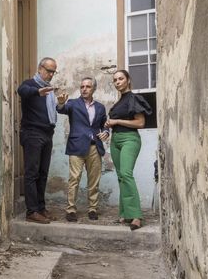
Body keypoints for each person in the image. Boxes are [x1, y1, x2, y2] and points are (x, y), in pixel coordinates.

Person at [55, 77, 109, 222]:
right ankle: (71, 209)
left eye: (88, 87)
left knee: (94, 180)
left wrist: (106, 132)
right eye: (82, 86)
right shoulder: (72, 104)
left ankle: (92, 208)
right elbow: (62, 109)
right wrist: (60, 104)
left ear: (94, 89)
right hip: (76, 146)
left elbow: (104, 124)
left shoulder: (100, 107)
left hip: (94, 146)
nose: (84, 89)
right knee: (74, 179)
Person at [105, 69, 153, 230]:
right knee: (120, 177)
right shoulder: (118, 104)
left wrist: (117, 121)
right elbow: (115, 123)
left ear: (128, 80)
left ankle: (136, 216)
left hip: (129, 139)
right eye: (115, 80)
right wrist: (108, 127)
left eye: (120, 79)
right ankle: (125, 213)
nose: (117, 82)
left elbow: (140, 123)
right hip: (116, 140)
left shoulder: (134, 99)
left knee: (126, 173)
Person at [17, 57, 59, 224]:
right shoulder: (30, 84)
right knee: (32, 173)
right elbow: (21, 91)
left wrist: (60, 103)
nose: (51, 74)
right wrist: (37, 92)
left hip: (47, 134)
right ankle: (31, 211)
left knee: (43, 174)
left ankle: (41, 208)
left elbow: (50, 111)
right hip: (32, 133)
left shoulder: (49, 90)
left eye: (53, 72)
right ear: (40, 68)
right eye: (48, 71)